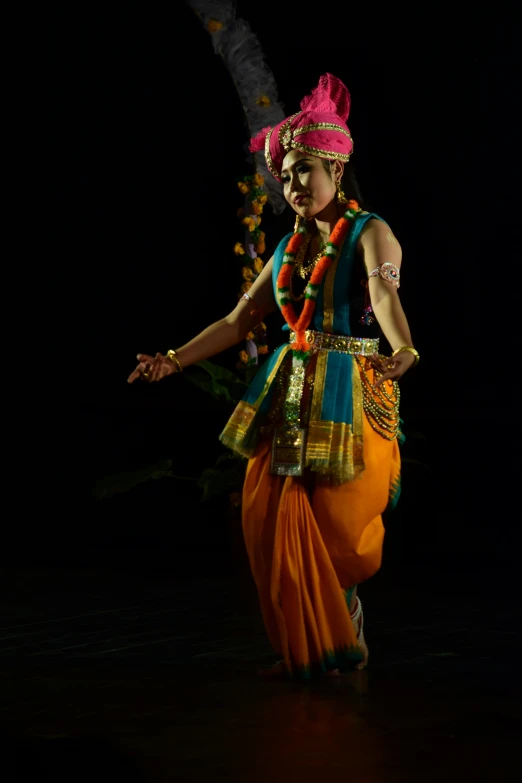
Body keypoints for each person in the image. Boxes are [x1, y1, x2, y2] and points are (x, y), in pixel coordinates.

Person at [128, 73, 419, 680]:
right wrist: (174, 359)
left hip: (350, 385)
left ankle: (343, 616)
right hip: (288, 391)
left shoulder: (372, 233)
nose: (292, 186)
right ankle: (305, 648)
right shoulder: (288, 249)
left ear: (336, 170)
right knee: (268, 519)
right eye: (284, 175)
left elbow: (383, 297)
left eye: (304, 171)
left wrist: (405, 348)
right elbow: (239, 320)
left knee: (339, 524)